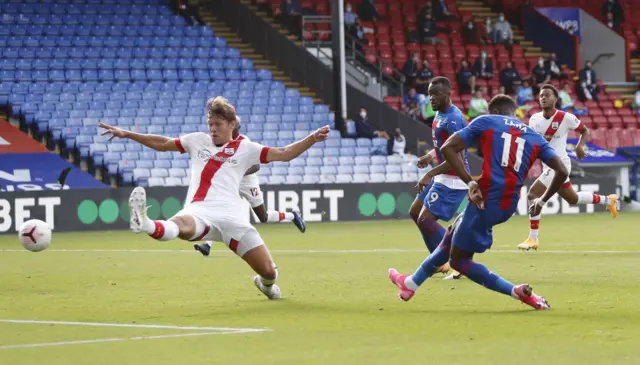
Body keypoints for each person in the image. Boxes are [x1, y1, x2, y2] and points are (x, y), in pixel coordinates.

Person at [98, 97, 330, 300]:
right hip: (200, 210)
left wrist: (311, 138)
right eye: (210, 124)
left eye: (218, 124)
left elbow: (284, 154)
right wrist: (128, 134)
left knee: (269, 272)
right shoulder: (197, 140)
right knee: (181, 225)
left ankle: (266, 287)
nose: (212, 129)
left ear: (231, 124)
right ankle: (145, 222)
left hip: (232, 219)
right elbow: (162, 143)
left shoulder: (247, 148)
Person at [388, 94, 569, 310]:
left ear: (493, 112)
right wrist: (542, 200)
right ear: (513, 112)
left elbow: (447, 148)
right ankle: (410, 284)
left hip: (484, 199)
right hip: (508, 205)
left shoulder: (487, 122)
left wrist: (469, 182)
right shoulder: (534, 137)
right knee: (452, 233)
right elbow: (562, 170)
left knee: (459, 262)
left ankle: (520, 293)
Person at [518, 85, 619, 250]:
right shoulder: (534, 119)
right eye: (541, 95)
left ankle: (533, 238)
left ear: (555, 99)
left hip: (560, 165)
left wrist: (580, 146)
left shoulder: (566, 118)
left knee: (532, 194)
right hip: (547, 166)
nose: (543, 97)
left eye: (547, 95)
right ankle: (608, 200)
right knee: (572, 198)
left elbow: (584, 131)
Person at [193, 117, 307, 257]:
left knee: (262, 216)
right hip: (230, 182)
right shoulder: (220, 143)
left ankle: (292, 216)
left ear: (235, 128)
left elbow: (256, 166)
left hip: (247, 182)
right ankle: (207, 245)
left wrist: (238, 171)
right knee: (218, 207)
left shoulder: (244, 143)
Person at [408, 77, 469, 275]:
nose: (431, 99)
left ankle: (459, 259)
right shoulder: (439, 115)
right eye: (429, 95)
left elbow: (457, 158)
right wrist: (430, 155)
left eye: (436, 95)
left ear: (448, 94)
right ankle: (439, 261)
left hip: (453, 179)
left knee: (425, 220)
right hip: (443, 176)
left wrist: (430, 173)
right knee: (415, 212)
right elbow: (444, 147)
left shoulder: (453, 120)